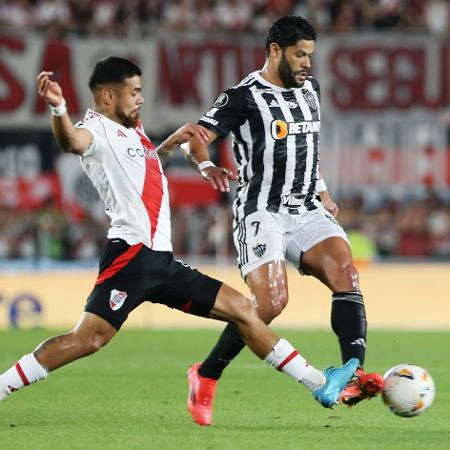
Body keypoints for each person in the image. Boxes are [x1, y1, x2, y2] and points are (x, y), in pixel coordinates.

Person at [0, 57, 359, 416]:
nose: (141, 99)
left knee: (245, 311)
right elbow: (70, 141)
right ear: (108, 96)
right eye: (135, 92)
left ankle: (319, 383)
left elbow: (139, 176)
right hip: (131, 257)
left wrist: (168, 148)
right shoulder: (94, 130)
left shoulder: (132, 131)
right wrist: (58, 107)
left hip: (162, 261)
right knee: (87, 339)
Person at [184, 16, 384, 426]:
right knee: (270, 304)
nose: (308, 63)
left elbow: (304, 146)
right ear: (275, 51)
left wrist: (322, 188)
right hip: (262, 211)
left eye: (310, 54)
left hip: (308, 207)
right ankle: (205, 374)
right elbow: (196, 138)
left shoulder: (311, 89)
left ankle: (351, 373)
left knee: (346, 272)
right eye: (299, 55)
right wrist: (205, 166)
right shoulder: (242, 96)